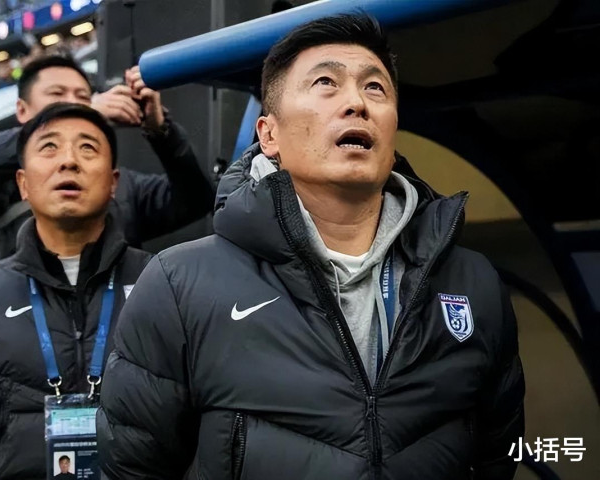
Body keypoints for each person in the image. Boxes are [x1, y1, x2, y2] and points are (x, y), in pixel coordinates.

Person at [97, 14, 525, 480]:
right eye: (326, 83)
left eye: (375, 88)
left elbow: (500, 453)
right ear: (269, 135)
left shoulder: (472, 281)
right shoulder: (179, 285)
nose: (357, 103)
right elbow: (133, 468)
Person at [0, 103, 153, 480]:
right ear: (23, 183)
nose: (68, 161)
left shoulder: (159, 281)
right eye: (49, 147)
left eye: (88, 148)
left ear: (113, 182)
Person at [0, 54, 214, 320]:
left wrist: (161, 130)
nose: (73, 105)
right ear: (22, 110)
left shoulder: (118, 185)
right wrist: (81, 113)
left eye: (83, 97)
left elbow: (195, 199)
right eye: (57, 94)